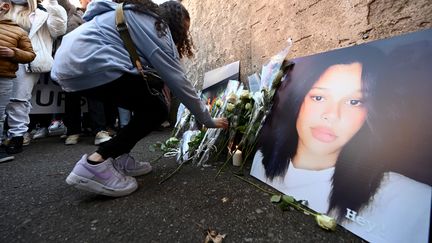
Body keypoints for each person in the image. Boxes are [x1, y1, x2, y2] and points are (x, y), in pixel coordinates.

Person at [251, 44, 431, 243]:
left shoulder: (410, 202)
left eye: (354, 102)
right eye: (318, 97)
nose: (332, 115)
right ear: (298, 101)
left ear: (369, 112)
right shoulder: (260, 161)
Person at [51, 0, 228, 197]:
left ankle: (119, 157)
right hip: (90, 63)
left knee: (147, 102)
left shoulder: (133, 15)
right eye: (183, 29)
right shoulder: (155, 25)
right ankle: (96, 163)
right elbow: (179, 79)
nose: (183, 35)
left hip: (68, 66)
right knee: (156, 109)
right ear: (174, 22)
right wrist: (206, 119)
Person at [4, 0, 66, 154]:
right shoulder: (4, 7)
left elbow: (58, 30)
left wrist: (52, 4)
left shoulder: (43, 11)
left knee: (19, 99)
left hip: (27, 61)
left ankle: (17, 135)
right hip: (3, 58)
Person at [0, 0, 35, 162]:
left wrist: (13, 53)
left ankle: (16, 137)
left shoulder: (18, 30)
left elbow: (30, 54)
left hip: (8, 73)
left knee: (17, 101)